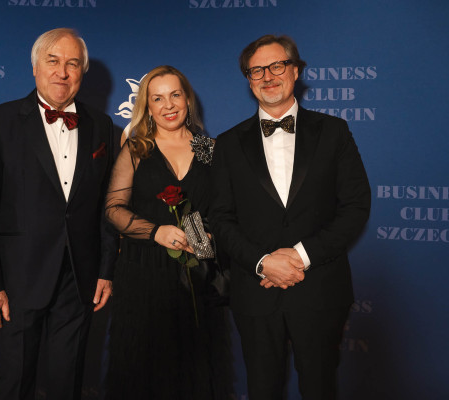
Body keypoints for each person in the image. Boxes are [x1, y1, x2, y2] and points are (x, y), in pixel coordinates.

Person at [210, 35, 371, 399]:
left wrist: (299, 255)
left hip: (320, 287)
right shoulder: (229, 143)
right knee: (262, 389)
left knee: (320, 388)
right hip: (256, 291)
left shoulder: (334, 131)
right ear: (249, 80)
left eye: (277, 66)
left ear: (295, 71)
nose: (268, 76)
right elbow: (220, 218)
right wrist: (263, 262)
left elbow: (356, 206)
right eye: (257, 70)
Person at [0, 28, 118, 400]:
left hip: (79, 279)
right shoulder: (0, 120)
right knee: (15, 381)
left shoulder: (101, 125)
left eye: (72, 64)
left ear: (82, 72)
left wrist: (105, 270)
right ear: (35, 67)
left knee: (68, 382)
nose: (62, 72)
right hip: (17, 279)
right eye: (53, 61)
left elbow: (106, 204)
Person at [104, 65, 232, 400]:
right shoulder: (137, 149)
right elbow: (113, 209)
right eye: (157, 98)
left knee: (196, 371)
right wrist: (155, 232)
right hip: (142, 275)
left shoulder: (208, 148)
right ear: (147, 106)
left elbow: (226, 211)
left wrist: (207, 238)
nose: (168, 105)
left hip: (197, 276)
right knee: (142, 372)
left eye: (175, 95)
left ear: (188, 100)